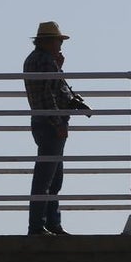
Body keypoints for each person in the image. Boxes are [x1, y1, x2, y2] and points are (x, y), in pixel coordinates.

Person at [23, 21, 87, 236]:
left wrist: (58, 68)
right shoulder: (45, 61)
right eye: (58, 41)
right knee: (48, 177)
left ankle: (48, 223)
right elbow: (48, 95)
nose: (60, 45)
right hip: (50, 123)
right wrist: (58, 122)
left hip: (42, 122)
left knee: (51, 176)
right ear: (49, 42)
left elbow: (47, 91)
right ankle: (41, 225)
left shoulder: (35, 59)